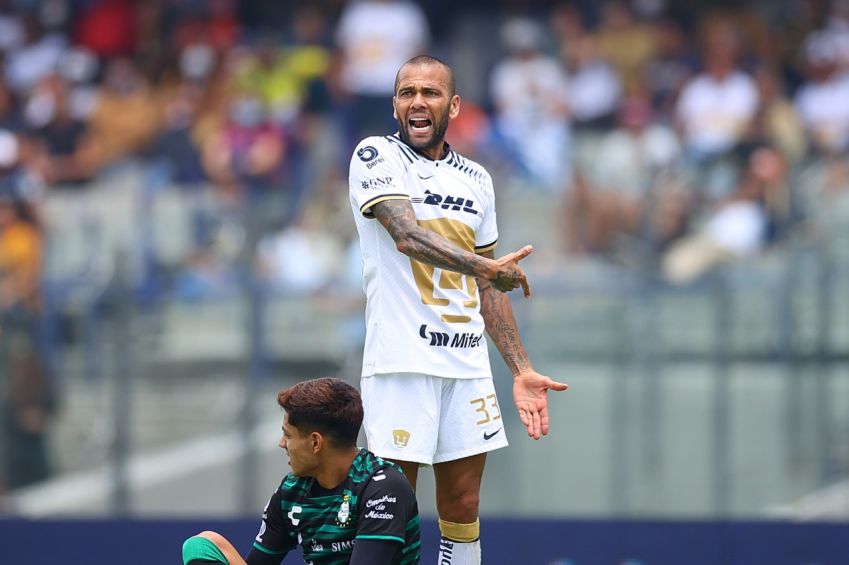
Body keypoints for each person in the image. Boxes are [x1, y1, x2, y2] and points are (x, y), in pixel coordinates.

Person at [347, 55, 568, 565]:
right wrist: (485, 268)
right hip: (402, 361)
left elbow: (488, 283)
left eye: (430, 92)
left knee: (464, 503)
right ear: (395, 105)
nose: (417, 101)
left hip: (466, 365)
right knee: (391, 504)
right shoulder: (376, 154)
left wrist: (521, 368)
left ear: (454, 106)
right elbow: (406, 236)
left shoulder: (477, 179)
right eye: (407, 92)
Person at [182, 377, 420, 565]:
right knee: (202, 545)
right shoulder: (292, 491)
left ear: (315, 442)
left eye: (287, 435)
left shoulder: (384, 486)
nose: (281, 444)